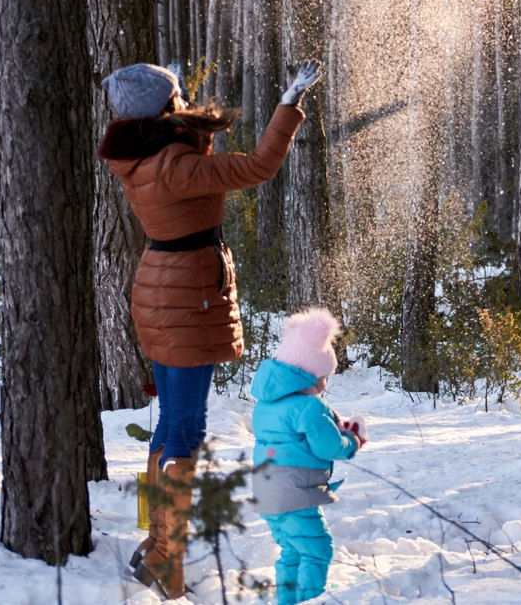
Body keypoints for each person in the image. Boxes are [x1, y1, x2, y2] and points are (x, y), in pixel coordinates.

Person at [97, 59, 322, 596]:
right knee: (186, 432)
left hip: (160, 290)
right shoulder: (175, 163)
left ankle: (156, 539)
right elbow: (259, 165)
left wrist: (172, 101)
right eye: (173, 97)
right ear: (163, 110)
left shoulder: (142, 154)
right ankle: (166, 559)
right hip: (187, 299)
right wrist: (289, 104)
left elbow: (190, 157)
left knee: (170, 424)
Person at [251, 308, 367, 605]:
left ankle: (287, 601)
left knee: (292, 550)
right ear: (309, 374)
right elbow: (327, 447)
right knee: (318, 549)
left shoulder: (267, 403)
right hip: (294, 493)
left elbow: (292, 433)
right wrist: (352, 441)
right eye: (324, 377)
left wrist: (334, 422)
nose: (325, 384)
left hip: (267, 493)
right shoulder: (309, 407)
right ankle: (309, 601)